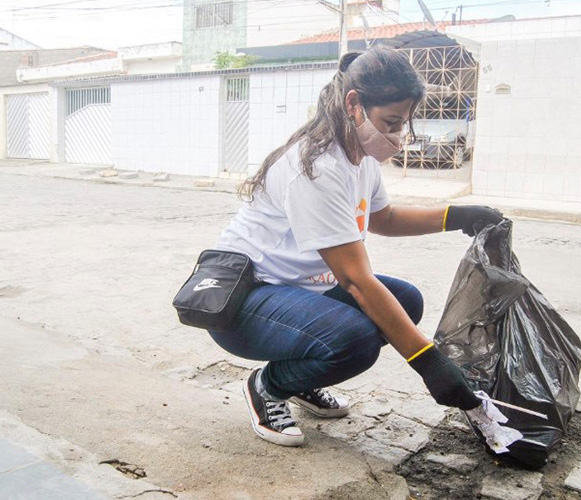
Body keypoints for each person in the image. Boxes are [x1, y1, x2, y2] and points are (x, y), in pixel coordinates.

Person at [210, 47, 504, 447]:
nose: (398, 136)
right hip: (246, 301)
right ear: (354, 104)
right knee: (355, 340)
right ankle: (268, 386)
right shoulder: (316, 169)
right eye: (391, 122)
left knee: (406, 301)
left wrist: (458, 216)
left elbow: (383, 219)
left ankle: (301, 378)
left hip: (297, 289)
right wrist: (430, 364)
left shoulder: (360, 157)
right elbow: (357, 281)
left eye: (403, 124)